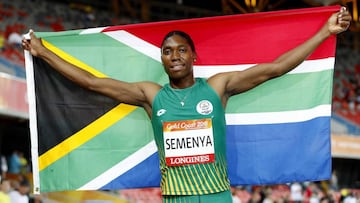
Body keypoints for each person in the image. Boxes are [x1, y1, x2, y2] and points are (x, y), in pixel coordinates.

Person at [22, 7, 351, 203]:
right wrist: (43, 52)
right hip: (176, 197)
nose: (174, 55)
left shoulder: (218, 87)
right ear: (162, 60)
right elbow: (93, 83)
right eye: (167, 51)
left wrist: (325, 31)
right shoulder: (151, 95)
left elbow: (276, 68)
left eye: (181, 50)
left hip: (217, 196)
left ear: (194, 57)